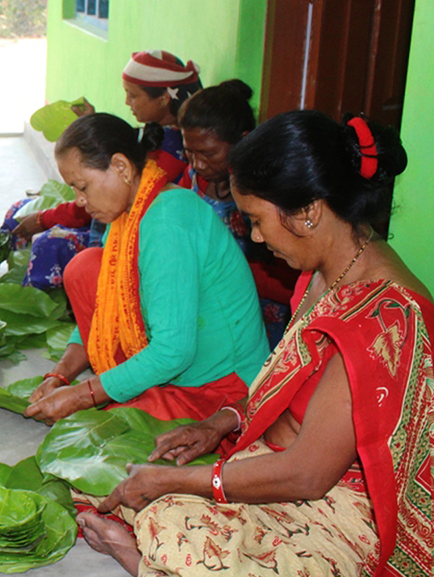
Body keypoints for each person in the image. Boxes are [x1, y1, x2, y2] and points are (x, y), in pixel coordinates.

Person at [77, 111, 433, 577]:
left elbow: (310, 474)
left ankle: (149, 573)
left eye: (259, 221)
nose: (259, 239)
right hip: (281, 472)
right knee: (148, 501)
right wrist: (219, 423)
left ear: (307, 212)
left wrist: (184, 481)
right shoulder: (321, 275)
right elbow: (286, 387)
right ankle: (163, 574)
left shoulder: (386, 316)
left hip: (346, 519)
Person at [24, 113, 269, 424]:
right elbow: (104, 312)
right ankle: (133, 388)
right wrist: (58, 377)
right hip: (180, 368)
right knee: (85, 269)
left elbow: (173, 352)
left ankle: (140, 394)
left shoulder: (168, 220)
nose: (80, 200)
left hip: (222, 387)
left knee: (108, 432)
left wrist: (83, 395)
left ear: (121, 167)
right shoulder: (129, 211)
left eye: (82, 186)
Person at [4, 50, 202, 289]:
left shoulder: (171, 152)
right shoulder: (153, 133)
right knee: (18, 210)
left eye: (133, 95)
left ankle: (39, 305)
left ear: (163, 99)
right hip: (109, 208)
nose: (127, 102)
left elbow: (107, 198)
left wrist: (45, 218)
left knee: (49, 243)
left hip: (122, 222)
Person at [178, 81, 298, 346]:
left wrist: (232, 274)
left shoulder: (266, 193)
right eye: (189, 152)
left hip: (261, 315)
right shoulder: (193, 179)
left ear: (244, 140)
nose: (197, 163)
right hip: (208, 310)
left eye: (208, 153)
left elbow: (292, 278)